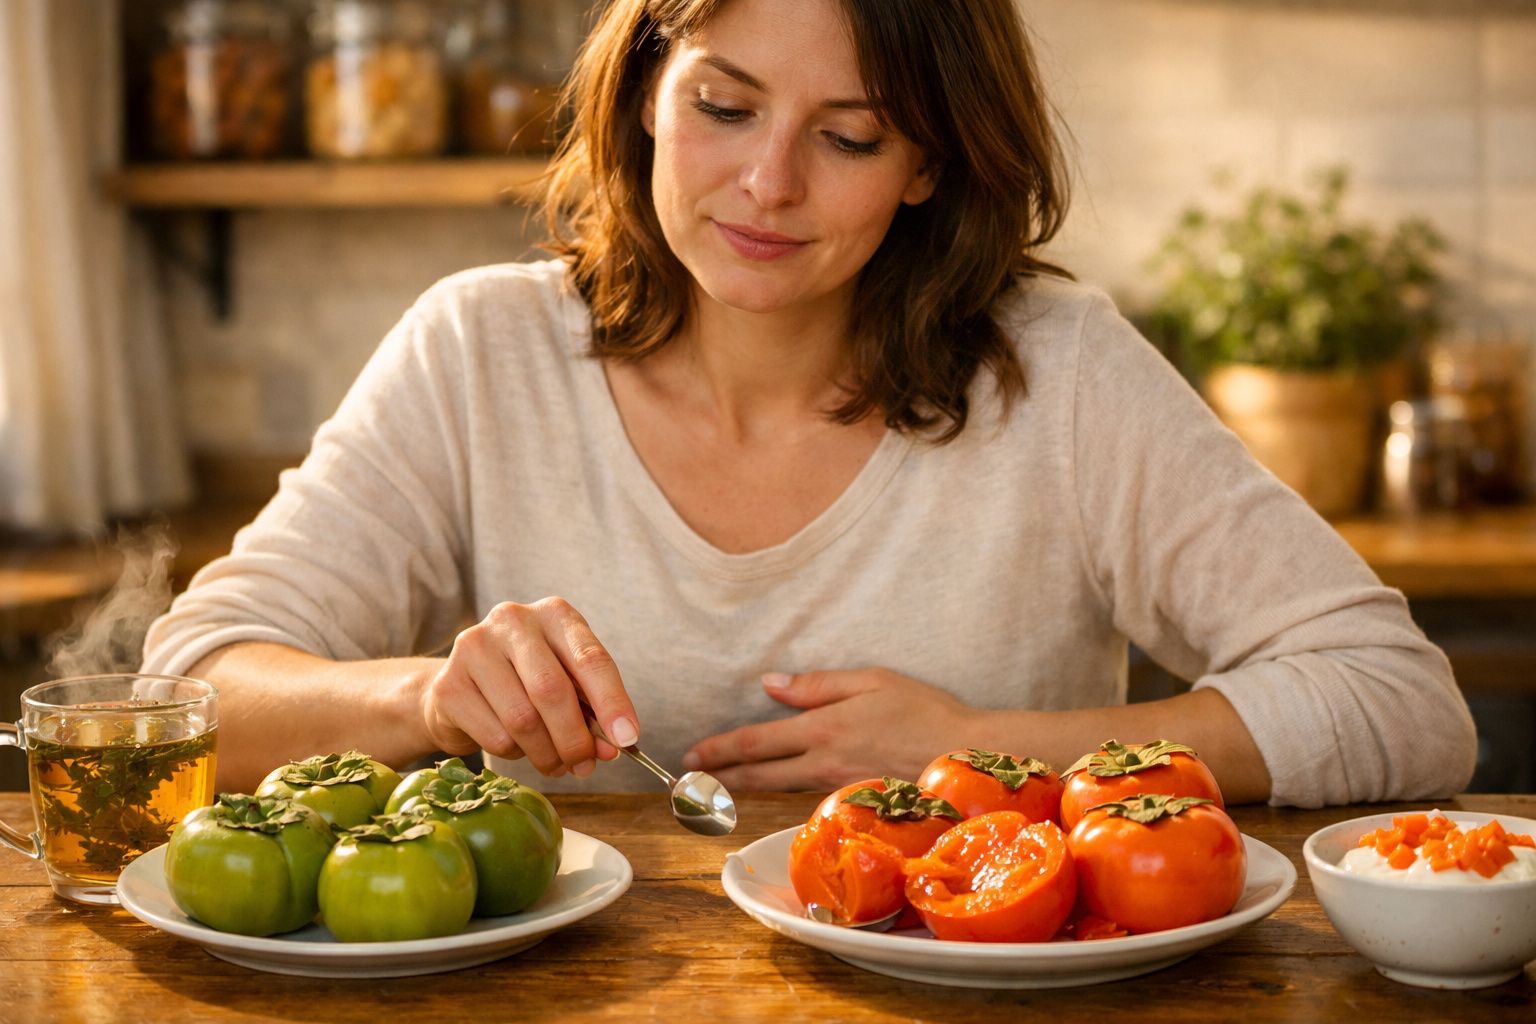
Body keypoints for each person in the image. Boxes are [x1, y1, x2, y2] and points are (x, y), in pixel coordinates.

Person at [142, 0, 1476, 806]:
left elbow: (1401, 707)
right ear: (650, 92)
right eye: (726, 105)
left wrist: (984, 751)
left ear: (924, 167)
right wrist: (424, 702)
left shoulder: (1061, 375)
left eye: (848, 136)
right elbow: (188, 690)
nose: (768, 182)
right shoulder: (476, 354)